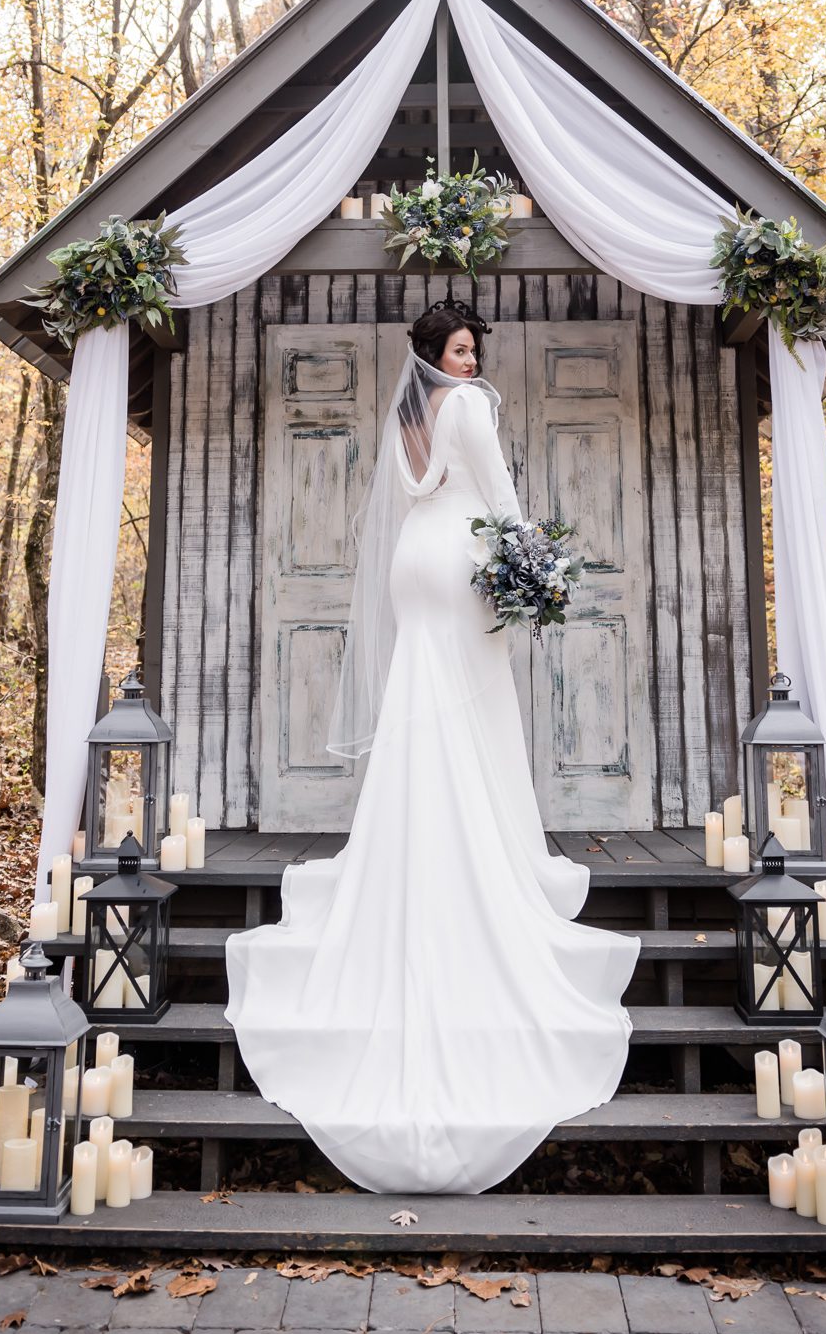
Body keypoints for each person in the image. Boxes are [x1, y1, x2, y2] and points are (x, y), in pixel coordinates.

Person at [224, 299, 639, 1193]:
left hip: (415, 559)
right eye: (460, 347)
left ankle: (413, 828)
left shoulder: (407, 409)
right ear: (437, 355)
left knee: (426, 701)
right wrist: (538, 559)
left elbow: (418, 492)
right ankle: (475, 845)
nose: (471, 357)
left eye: (473, 347)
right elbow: (499, 494)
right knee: (473, 706)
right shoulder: (468, 404)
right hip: (459, 563)